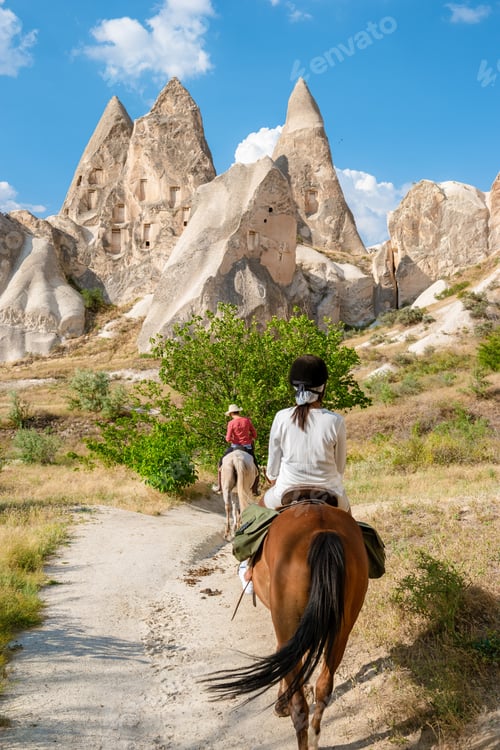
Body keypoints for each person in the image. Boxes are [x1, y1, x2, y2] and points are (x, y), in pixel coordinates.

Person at [263, 354, 351, 513]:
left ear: (294, 386)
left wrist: (273, 477)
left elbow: (272, 470)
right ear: (323, 387)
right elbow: (340, 468)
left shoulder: (281, 417)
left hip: (287, 490)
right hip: (330, 493)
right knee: (352, 528)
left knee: (257, 515)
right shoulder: (336, 421)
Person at [212, 405, 259, 495]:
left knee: (221, 462)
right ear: (238, 412)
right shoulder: (247, 421)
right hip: (247, 447)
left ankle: (220, 486)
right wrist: (249, 437)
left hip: (234, 447)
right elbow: (255, 434)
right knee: (256, 467)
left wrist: (234, 439)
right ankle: (254, 489)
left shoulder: (231, 423)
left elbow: (228, 439)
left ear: (230, 414)